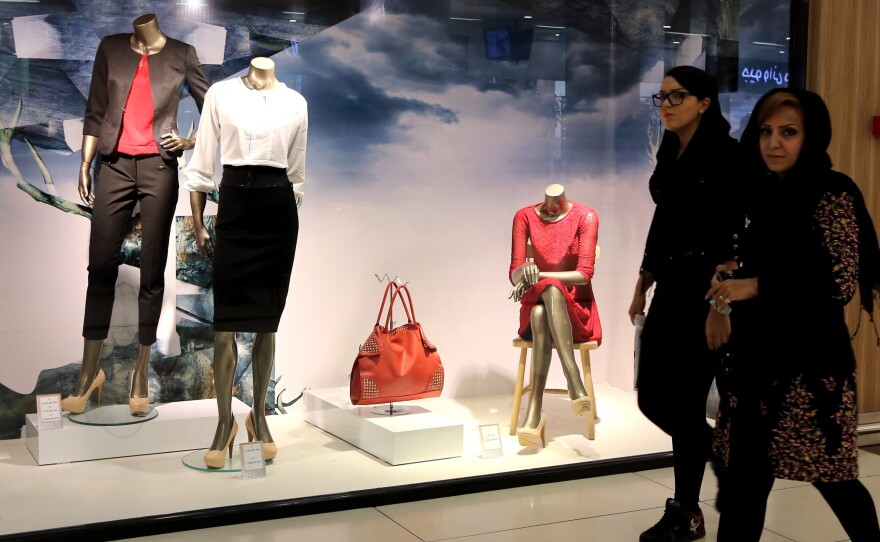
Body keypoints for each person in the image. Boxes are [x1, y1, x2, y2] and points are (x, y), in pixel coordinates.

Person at [706, 88, 880, 542]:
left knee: (833, 479)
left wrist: (756, 285)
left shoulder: (833, 193)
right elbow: (750, 263)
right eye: (765, 131)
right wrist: (724, 294)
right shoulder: (762, 194)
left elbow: (839, 282)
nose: (773, 143)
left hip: (810, 369)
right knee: (745, 483)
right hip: (754, 365)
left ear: (813, 136)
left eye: (788, 132)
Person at [61, 14, 209, 417]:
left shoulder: (182, 53)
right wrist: (84, 163)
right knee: (100, 265)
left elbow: (210, 107)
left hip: (159, 168)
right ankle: (88, 372)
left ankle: (140, 371)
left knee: (152, 268)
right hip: (113, 165)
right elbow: (95, 110)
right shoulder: (110, 47)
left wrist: (190, 139)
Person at [628, 65, 744, 542]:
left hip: (710, 291)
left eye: (677, 96)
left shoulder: (728, 157)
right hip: (673, 286)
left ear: (704, 103)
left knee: (689, 398)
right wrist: (643, 280)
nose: (667, 105)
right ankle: (726, 451)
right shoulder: (671, 154)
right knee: (654, 396)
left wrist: (721, 308)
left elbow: (737, 236)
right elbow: (665, 224)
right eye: (661, 98)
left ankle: (686, 510)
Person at [185, 57, 308, 469]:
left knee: (265, 323)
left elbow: (298, 173)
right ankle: (224, 424)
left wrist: (287, 220)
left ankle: (259, 417)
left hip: (277, 213)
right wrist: (199, 222)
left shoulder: (296, 102)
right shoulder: (220, 94)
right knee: (226, 324)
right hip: (235, 204)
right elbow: (202, 163)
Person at [509, 184, 601, 448]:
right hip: (535, 300)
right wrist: (524, 272)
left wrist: (541, 276)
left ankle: (534, 412)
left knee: (542, 309)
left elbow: (584, 275)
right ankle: (574, 381)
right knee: (542, 302)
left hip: (574, 311)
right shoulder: (524, 216)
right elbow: (513, 273)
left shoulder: (586, 216)